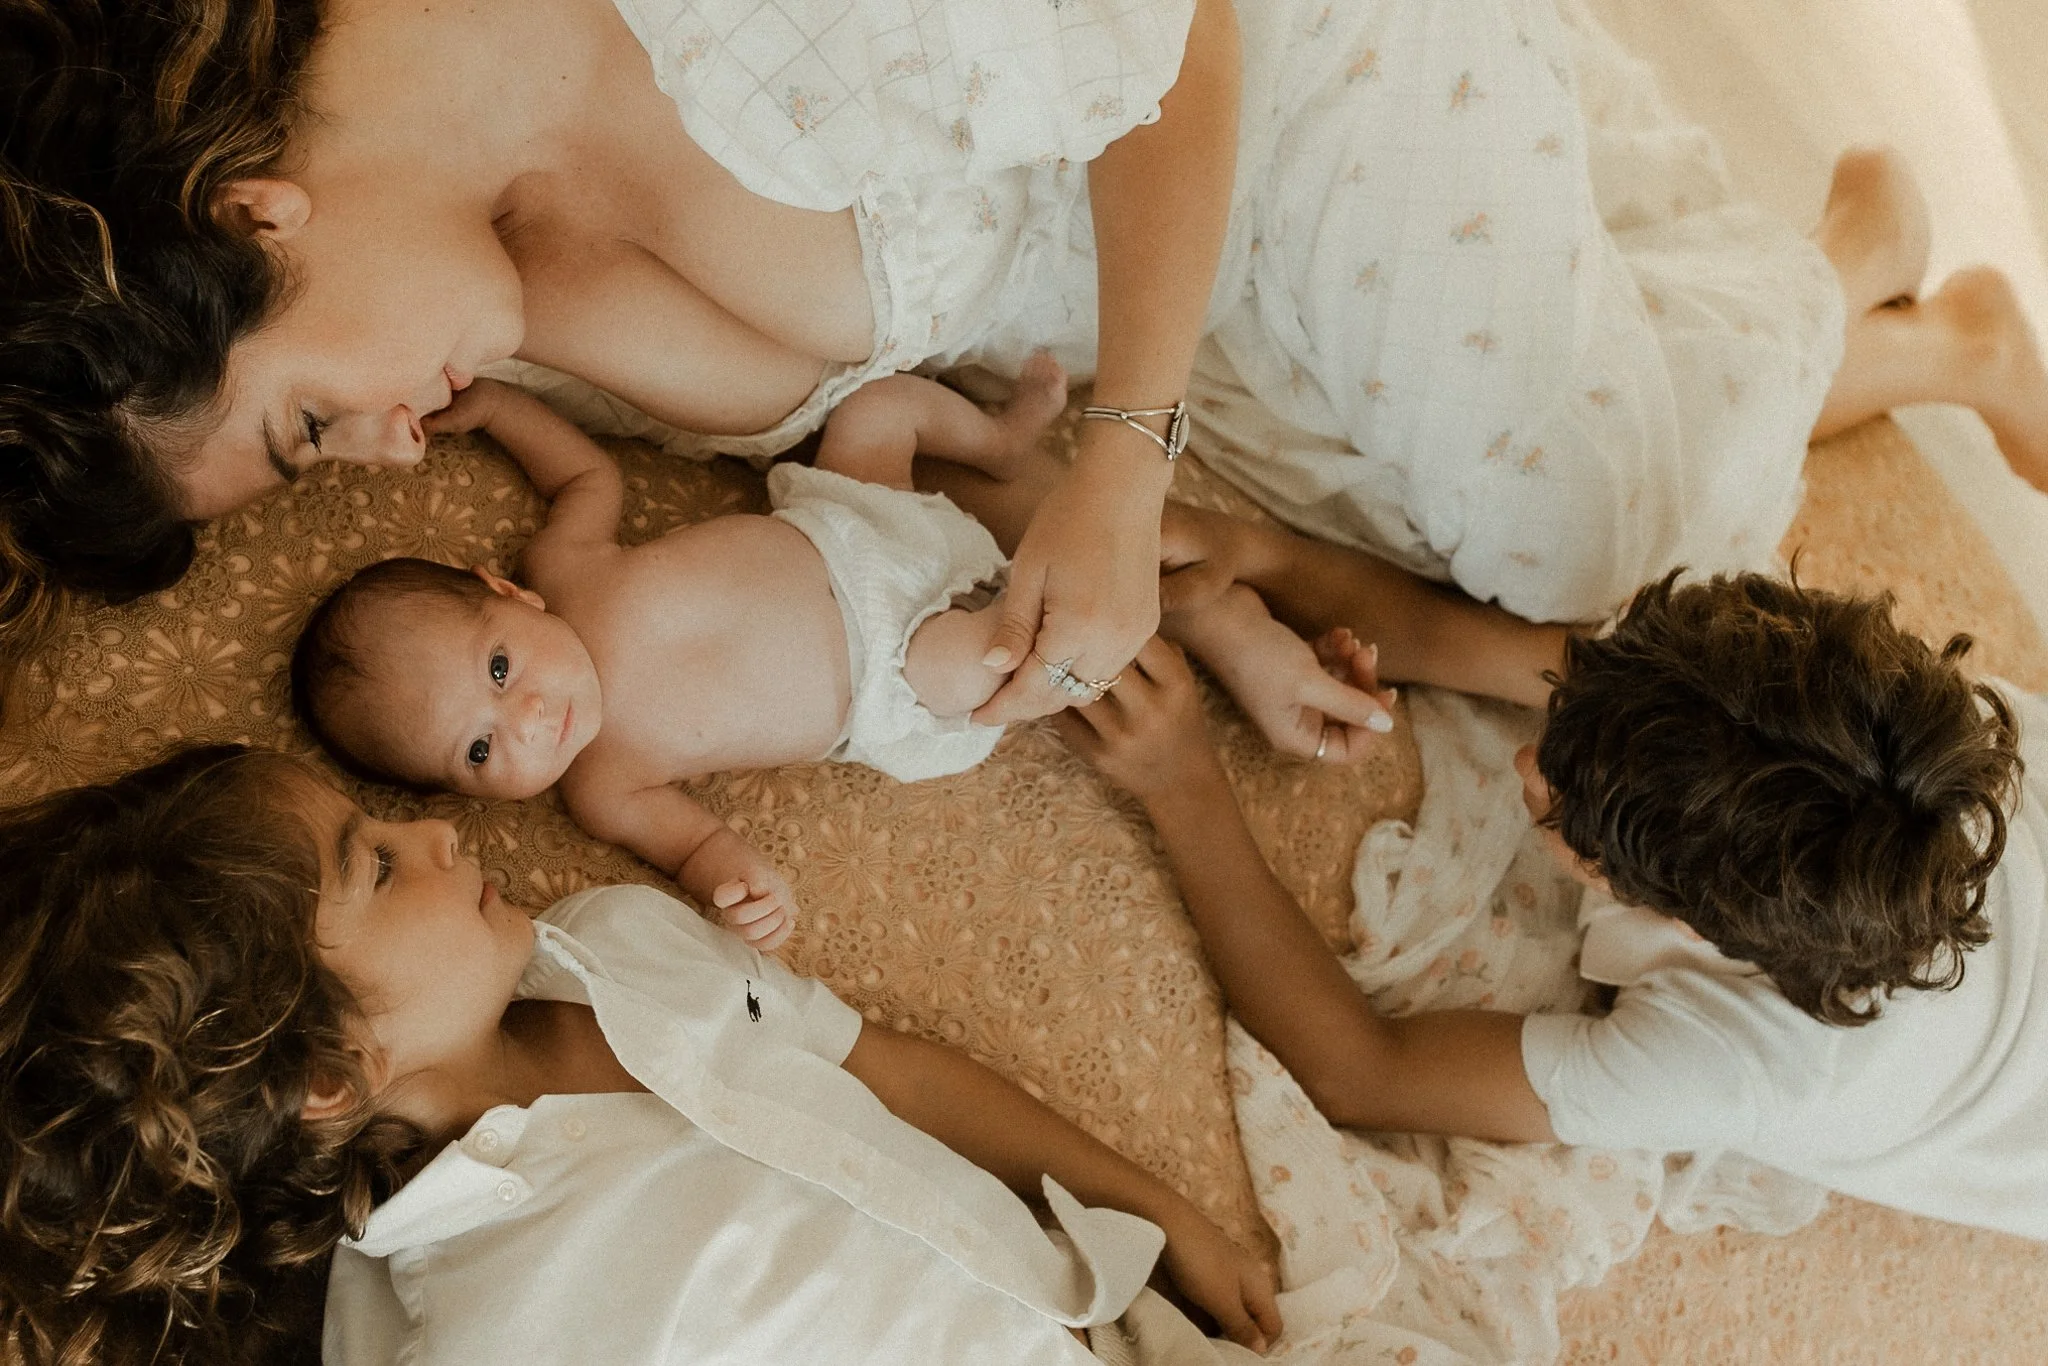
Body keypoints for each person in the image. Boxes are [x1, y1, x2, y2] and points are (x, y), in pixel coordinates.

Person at [9, 0, 2048, 716]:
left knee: (1577, 544)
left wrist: (1135, 457)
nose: (380, 455)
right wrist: (1099, 529)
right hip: (1086, 280)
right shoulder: (456, 273)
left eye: (301, 430)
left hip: (1259, 77)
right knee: (1378, 548)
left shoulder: (735, 28)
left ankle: (1904, 309)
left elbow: (1182, 57)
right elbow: (867, 415)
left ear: (253, 216)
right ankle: (1878, 307)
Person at [0, 744, 1284, 1365]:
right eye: (381, 865)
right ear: (332, 1074)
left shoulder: (622, 946)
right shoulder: (449, 1325)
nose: (441, 830)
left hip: (1091, 1323)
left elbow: (891, 1072)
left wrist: (1156, 1210)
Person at [1057, 564, 2048, 1241]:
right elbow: (1481, 644)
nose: (1523, 761)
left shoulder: (1732, 1060)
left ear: (1679, 923)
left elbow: (1361, 1072)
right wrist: (1247, 558)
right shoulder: (1796, 696)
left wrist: (1182, 783)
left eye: (1557, 809)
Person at [290, 367, 1394, 949]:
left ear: (506, 591)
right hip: (895, 667)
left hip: (849, 522)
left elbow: (586, 477)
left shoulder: (565, 563)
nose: (528, 716)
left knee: (877, 405)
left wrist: (500, 407)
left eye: (497, 670)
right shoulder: (602, 782)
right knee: (991, 655)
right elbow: (698, 842)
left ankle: (1001, 443)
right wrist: (735, 887)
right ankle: (1164, 613)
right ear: (466, 793)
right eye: (482, 750)